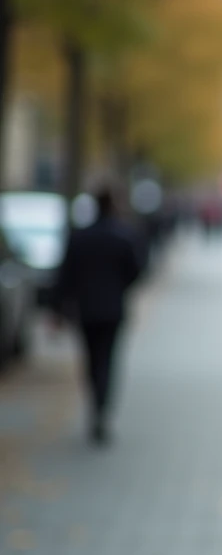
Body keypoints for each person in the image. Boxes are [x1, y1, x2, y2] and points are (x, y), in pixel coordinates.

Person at [52, 187, 145, 446]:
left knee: (91, 358)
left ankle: (95, 401)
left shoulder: (80, 237)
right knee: (108, 359)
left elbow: (65, 274)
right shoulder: (124, 236)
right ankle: (101, 408)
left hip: (86, 309)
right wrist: (120, 288)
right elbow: (137, 270)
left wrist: (58, 307)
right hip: (113, 308)